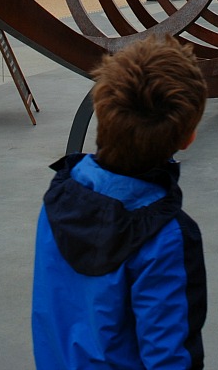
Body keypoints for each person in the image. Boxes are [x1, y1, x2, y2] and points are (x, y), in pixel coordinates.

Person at [32, 35, 208, 369]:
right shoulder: (167, 237)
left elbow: (56, 311)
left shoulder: (59, 196)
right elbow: (171, 357)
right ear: (188, 137)